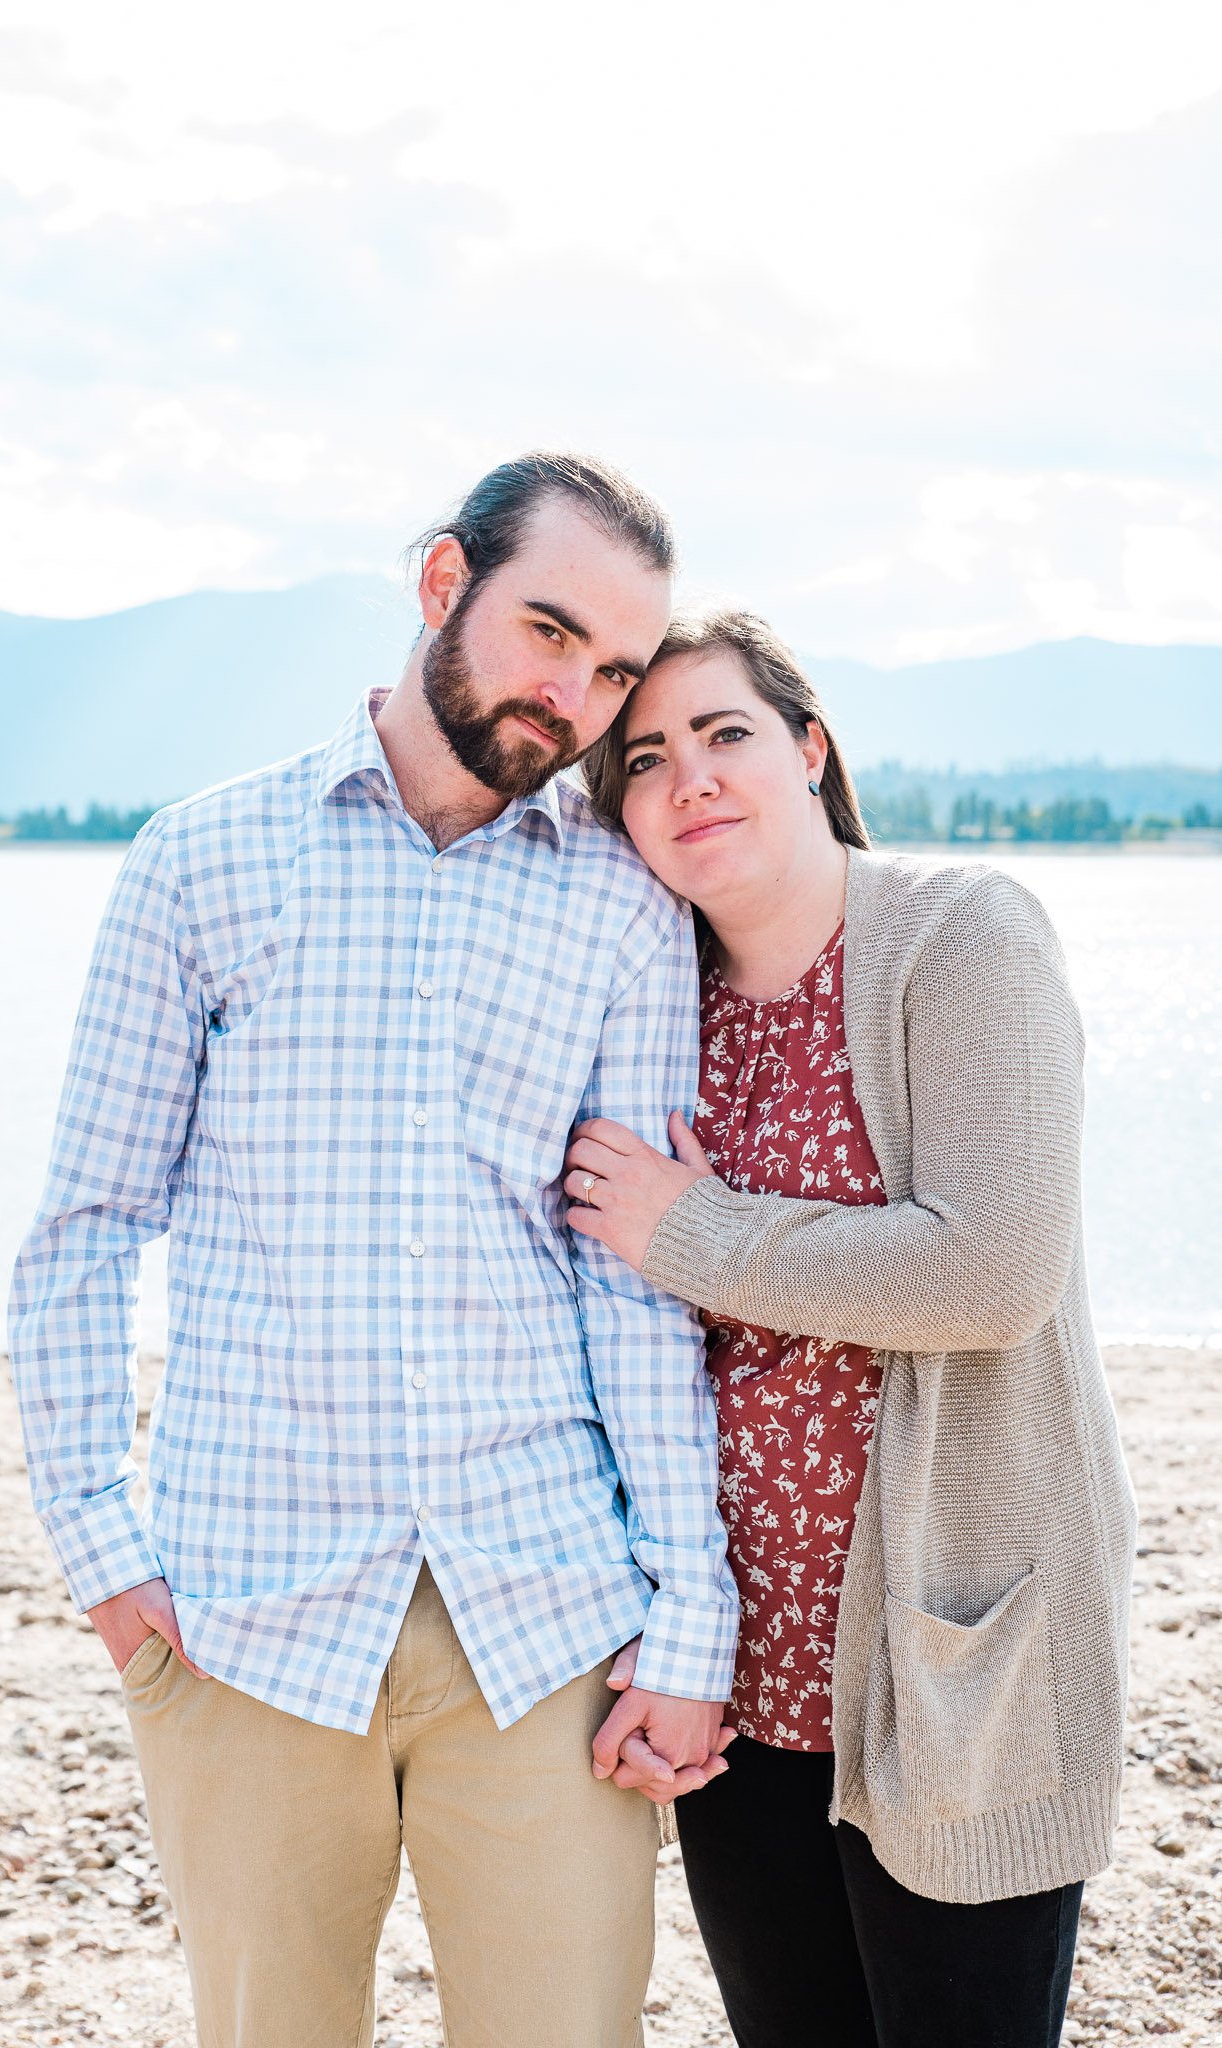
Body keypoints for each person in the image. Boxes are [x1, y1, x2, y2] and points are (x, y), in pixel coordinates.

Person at [9, 454, 740, 2048]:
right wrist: (100, 1548)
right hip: (242, 1614)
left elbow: (633, 1282)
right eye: (550, 633)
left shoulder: (621, 908)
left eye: (613, 667)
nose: (576, 695)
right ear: (439, 583)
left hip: (544, 1617)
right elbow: (84, 1229)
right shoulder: (200, 862)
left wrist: (691, 1614)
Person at [571, 606, 1137, 2048]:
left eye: (725, 734)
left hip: (957, 1648)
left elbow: (992, 1274)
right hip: (737, 1660)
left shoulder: (961, 935)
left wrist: (687, 1230)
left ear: (811, 752)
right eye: (644, 758)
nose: (687, 776)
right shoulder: (655, 1005)